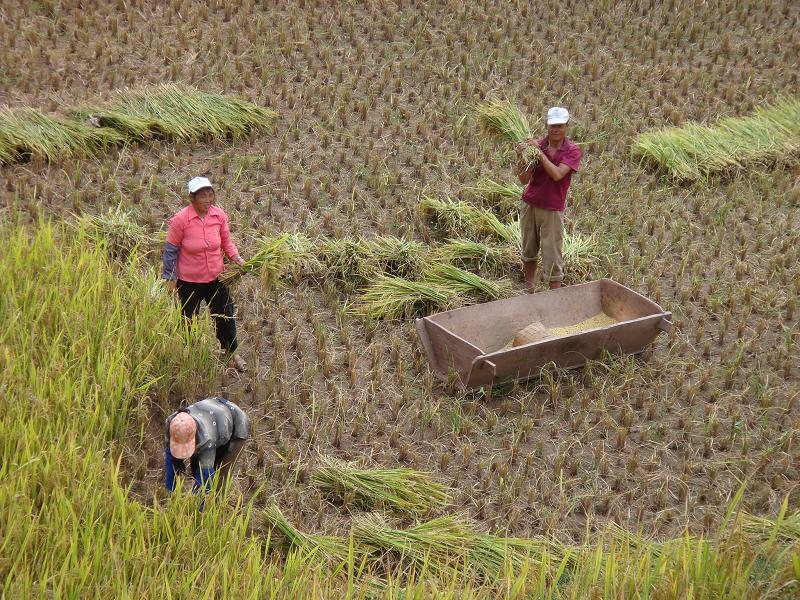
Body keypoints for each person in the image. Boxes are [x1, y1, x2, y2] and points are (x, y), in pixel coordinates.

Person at [162, 176, 247, 372]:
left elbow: (226, 242)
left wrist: (238, 259)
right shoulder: (181, 220)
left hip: (216, 277)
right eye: (203, 196)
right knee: (188, 318)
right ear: (192, 198)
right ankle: (190, 354)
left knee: (225, 315)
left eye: (210, 194)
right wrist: (170, 278)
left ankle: (232, 352)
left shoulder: (219, 216)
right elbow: (170, 250)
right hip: (189, 280)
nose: (208, 199)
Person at [515, 106, 582, 292]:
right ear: (547, 125)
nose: (556, 129)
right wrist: (521, 156)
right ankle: (530, 290)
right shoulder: (538, 146)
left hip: (552, 209)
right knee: (528, 251)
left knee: (552, 256)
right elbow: (524, 179)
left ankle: (555, 299)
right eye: (553, 125)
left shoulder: (572, 151)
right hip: (530, 204)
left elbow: (558, 174)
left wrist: (539, 154)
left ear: (567, 126)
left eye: (560, 126)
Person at [165, 396, 251, 494]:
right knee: (195, 467)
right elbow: (170, 458)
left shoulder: (206, 437)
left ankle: (217, 503)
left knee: (220, 476)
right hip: (213, 412)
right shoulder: (172, 423)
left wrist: (195, 505)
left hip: (236, 425)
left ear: (195, 436)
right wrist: (170, 490)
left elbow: (205, 476)